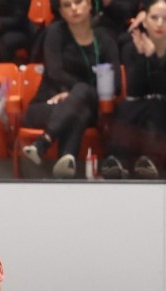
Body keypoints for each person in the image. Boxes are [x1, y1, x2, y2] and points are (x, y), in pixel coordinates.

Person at [20, 0, 119, 178]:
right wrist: (76, 96)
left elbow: (115, 83)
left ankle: (43, 142)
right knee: (78, 108)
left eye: (78, 2)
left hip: (90, 107)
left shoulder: (104, 38)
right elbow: (55, 72)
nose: (74, 8)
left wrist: (74, 95)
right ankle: (67, 159)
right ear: (61, 12)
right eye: (67, 5)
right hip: (47, 104)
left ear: (89, 5)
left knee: (81, 94)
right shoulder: (55, 32)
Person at [108, 0, 166, 178]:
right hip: (141, 109)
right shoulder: (130, 48)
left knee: (156, 103)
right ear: (144, 21)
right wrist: (142, 58)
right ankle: (118, 163)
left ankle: (148, 161)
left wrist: (152, 57)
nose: (160, 24)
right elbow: (134, 90)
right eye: (154, 18)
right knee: (127, 106)